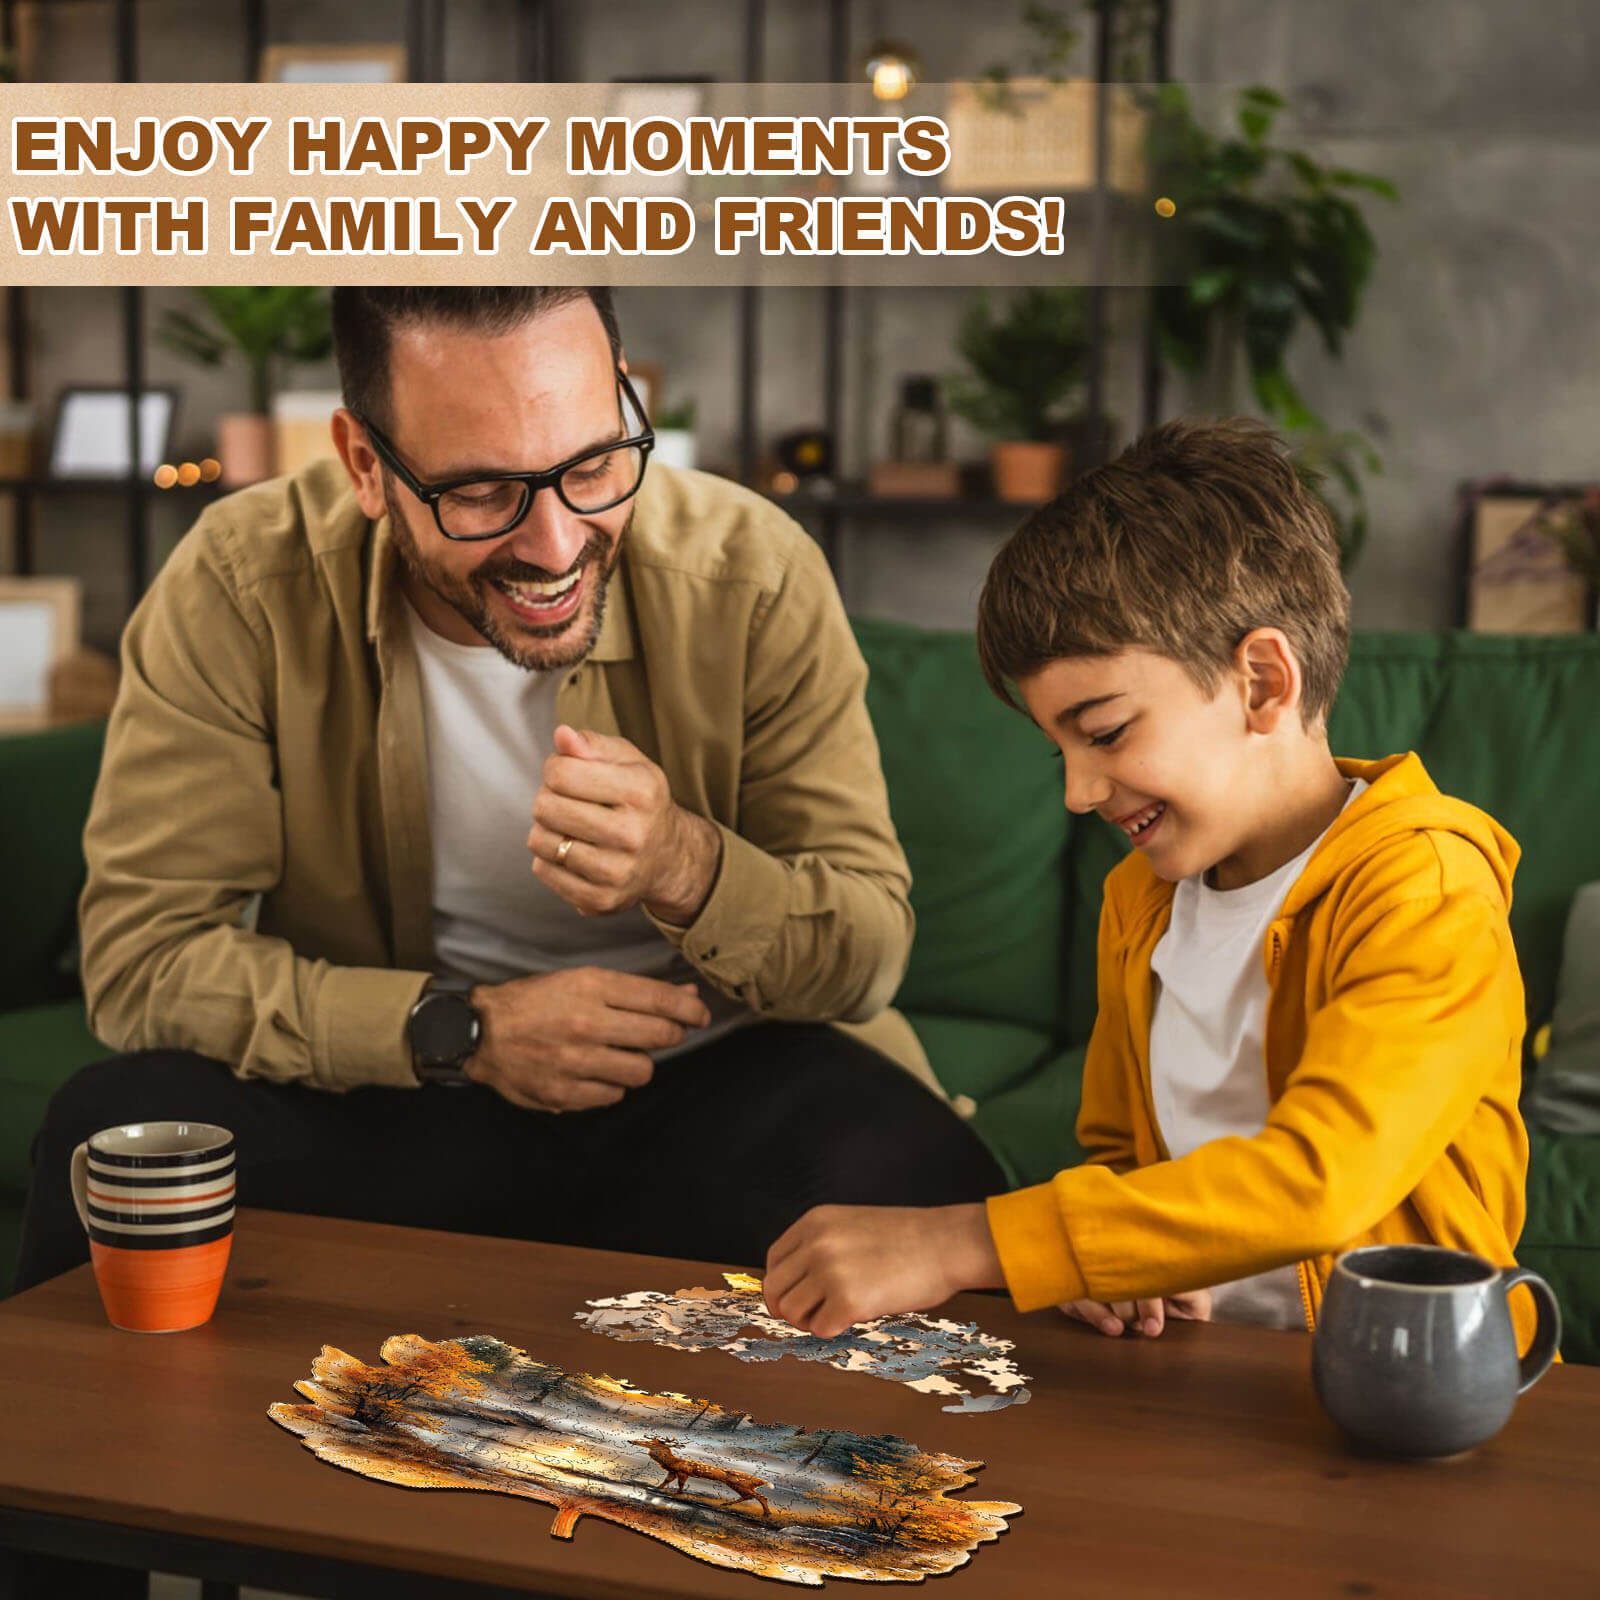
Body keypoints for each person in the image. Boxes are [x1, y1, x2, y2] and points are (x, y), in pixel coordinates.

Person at [17, 287, 1004, 1295]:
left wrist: (684, 862)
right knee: (114, 1128)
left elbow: (864, 955)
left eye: (592, 465)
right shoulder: (241, 583)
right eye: (483, 491)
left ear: (624, 397)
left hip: (714, 1088)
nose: (556, 546)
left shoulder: (753, 569)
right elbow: (142, 959)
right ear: (365, 465)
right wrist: (458, 1031)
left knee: (920, 1181)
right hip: (395, 1095)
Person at [762, 417, 1539, 1353]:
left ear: (1263, 682)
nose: (1079, 791)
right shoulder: (1141, 899)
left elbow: (1321, 1179)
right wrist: (1111, 1276)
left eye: (1106, 733)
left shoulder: (1423, 888)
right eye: (1059, 749)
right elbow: (1122, 1158)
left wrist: (969, 1242)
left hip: (1409, 1387)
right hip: (1202, 1373)